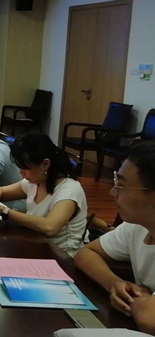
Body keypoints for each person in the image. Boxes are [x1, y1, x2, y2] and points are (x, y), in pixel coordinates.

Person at [75, 141, 155, 332]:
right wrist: (115, 284)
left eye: (121, 185)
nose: (112, 192)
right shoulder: (136, 227)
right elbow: (85, 253)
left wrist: (133, 300)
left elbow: (149, 319)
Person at [0, 133, 87, 257]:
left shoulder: (69, 190)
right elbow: (2, 192)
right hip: (36, 246)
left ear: (45, 164)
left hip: (62, 256)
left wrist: (5, 212)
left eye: (25, 168)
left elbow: (49, 227)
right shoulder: (36, 182)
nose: (21, 173)